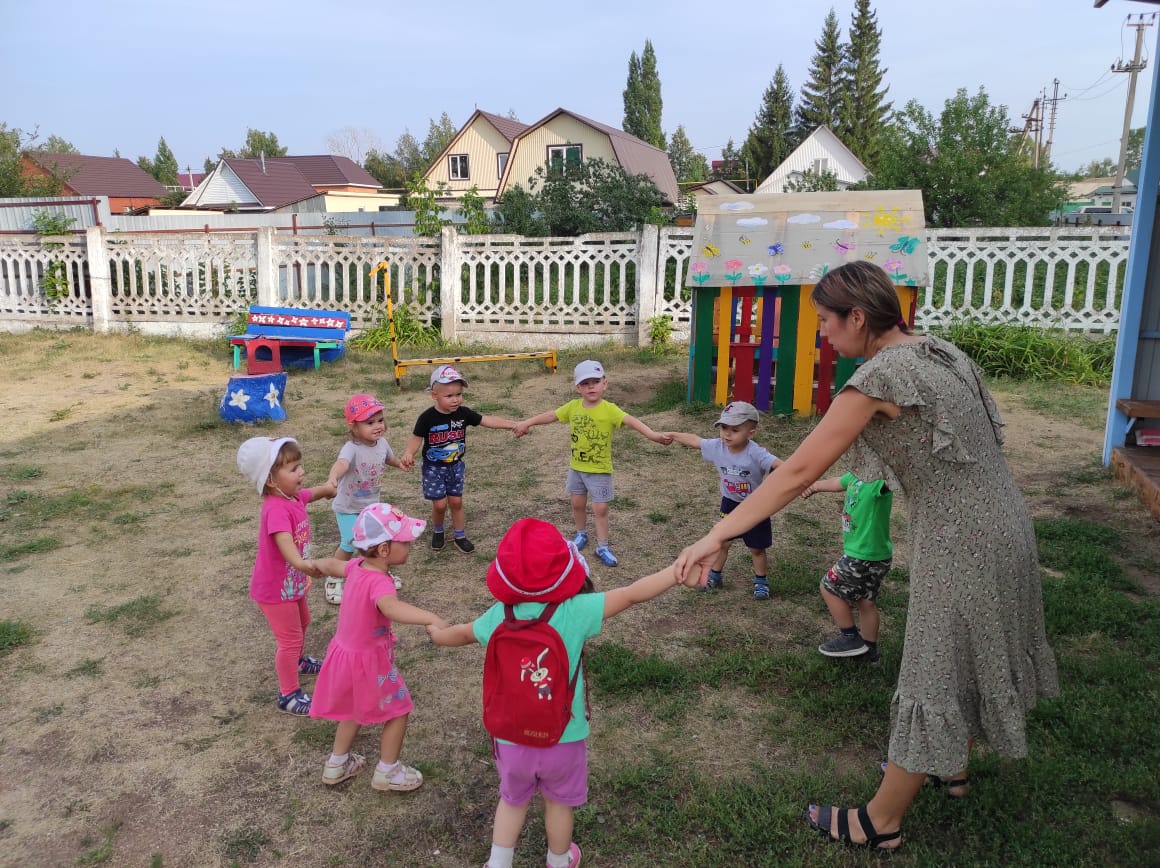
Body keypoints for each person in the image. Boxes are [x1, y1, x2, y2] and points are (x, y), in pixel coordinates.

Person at [673, 260, 1058, 850]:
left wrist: (715, 536)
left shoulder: (876, 381)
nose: (824, 333)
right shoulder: (941, 352)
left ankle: (881, 822)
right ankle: (950, 766)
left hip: (961, 541)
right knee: (967, 651)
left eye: (827, 320)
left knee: (933, 664)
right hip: (1006, 522)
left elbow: (797, 473)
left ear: (857, 317)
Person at [429, 517, 689, 868]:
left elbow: (460, 633)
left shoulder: (498, 616)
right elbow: (631, 594)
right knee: (559, 804)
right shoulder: (575, 612)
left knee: (512, 802)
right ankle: (559, 859)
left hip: (510, 738)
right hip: (563, 736)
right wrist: (675, 573)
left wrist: (437, 634)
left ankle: (499, 862)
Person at [308, 503, 447, 791]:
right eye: (405, 542)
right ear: (384, 550)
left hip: (345, 655)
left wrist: (317, 564)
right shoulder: (380, 582)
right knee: (398, 711)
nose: (409, 546)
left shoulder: (357, 567)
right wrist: (430, 617)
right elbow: (391, 608)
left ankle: (336, 764)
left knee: (352, 709)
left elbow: (334, 565)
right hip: (369, 662)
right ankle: (388, 771)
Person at [513, 359, 673, 568]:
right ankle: (581, 534)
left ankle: (602, 546)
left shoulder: (610, 410)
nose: (591, 387)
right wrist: (527, 422)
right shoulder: (573, 407)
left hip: (599, 471)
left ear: (604, 383)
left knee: (601, 509)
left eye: (595, 382)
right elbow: (552, 415)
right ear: (578, 387)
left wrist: (653, 435)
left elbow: (631, 421)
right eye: (585, 383)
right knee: (577, 504)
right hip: (577, 469)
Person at [236, 436, 337, 716]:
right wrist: (302, 564)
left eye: (300, 466)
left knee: (303, 622)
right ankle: (288, 694)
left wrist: (327, 489)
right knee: (289, 640)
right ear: (270, 480)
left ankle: (298, 661)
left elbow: (310, 494)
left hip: (290, 583)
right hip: (275, 589)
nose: (301, 472)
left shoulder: (290, 497)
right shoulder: (276, 510)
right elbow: (285, 544)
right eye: (293, 469)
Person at [665, 400, 782, 600]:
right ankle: (715, 576)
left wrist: (801, 481)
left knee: (756, 548)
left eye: (735, 430)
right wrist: (673, 435)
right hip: (729, 503)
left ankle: (761, 582)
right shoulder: (717, 447)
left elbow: (780, 466)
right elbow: (695, 441)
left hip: (755, 506)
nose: (727, 434)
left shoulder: (755, 452)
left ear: (750, 433)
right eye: (724, 428)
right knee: (722, 542)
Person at [402, 364, 519, 555]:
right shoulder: (427, 417)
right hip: (433, 468)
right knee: (440, 504)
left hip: (456, 466)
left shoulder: (463, 414)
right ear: (435, 395)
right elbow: (416, 438)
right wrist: (409, 452)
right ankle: (438, 531)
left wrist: (513, 424)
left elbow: (487, 420)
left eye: (459, 394)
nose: (455, 399)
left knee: (456, 502)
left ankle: (460, 535)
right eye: (449, 396)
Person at [324, 393, 412, 604]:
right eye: (369, 423)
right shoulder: (351, 448)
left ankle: (378, 573)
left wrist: (399, 463)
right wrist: (333, 477)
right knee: (350, 542)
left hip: (371, 507)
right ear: (354, 427)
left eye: (380, 420)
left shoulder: (382, 443)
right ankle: (334, 577)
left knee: (378, 541)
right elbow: (342, 464)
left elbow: (388, 458)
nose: (377, 426)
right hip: (348, 507)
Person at [801, 472, 893, 661]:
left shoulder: (878, 481)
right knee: (866, 602)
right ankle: (869, 652)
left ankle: (849, 636)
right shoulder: (856, 475)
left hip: (863, 555)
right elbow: (838, 482)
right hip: (876, 555)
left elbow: (893, 481)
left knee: (828, 587)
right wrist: (815, 486)